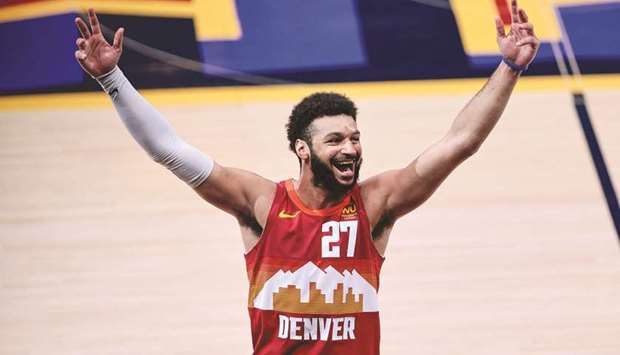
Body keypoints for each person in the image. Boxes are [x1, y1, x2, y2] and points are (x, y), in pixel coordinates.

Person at [73, 1, 539, 353]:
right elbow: (170, 152)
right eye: (335, 140)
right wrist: (112, 80)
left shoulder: (375, 205)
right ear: (302, 149)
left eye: (354, 138)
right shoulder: (261, 204)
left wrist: (511, 67)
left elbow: (460, 142)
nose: (351, 149)